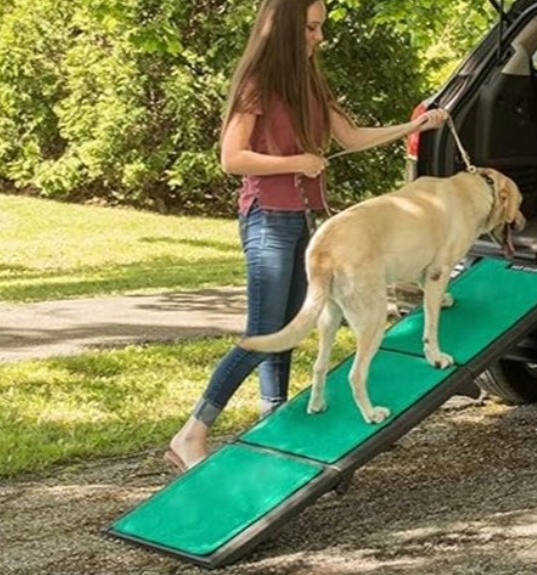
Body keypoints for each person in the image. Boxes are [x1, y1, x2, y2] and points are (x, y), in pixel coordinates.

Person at [166, 0, 449, 471]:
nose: (318, 37)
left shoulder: (310, 82)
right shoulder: (259, 83)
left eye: (319, 28)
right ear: (285, 29)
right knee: (266, 333)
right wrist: (296, 162)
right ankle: (191, 434)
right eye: (311, 28)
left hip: (305, 220)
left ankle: (273, 424)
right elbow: (232, 158)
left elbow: (352, 137)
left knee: (292, 328)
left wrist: (416, 125)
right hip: (267, 219)